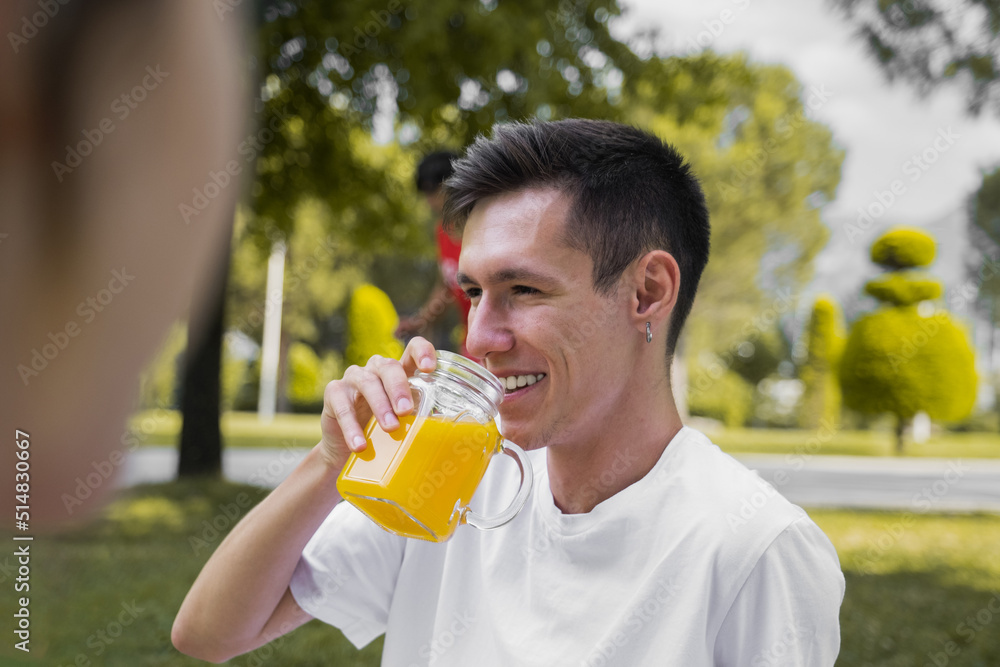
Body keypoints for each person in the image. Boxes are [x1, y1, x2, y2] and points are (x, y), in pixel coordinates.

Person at [172, 118, 845, 665]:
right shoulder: (446, 474)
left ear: (647, 292)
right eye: (472, 293)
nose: (479, 337)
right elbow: (210, 633)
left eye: (523, 289)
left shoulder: (756, 551)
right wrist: (330, 461)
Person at [396, 150, 474, 356]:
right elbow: (447, 288)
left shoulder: (482, 226)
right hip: (471, 342)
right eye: (426, 193)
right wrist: (419, 321)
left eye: (432, 190)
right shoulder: (442, 231)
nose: (429, 201)